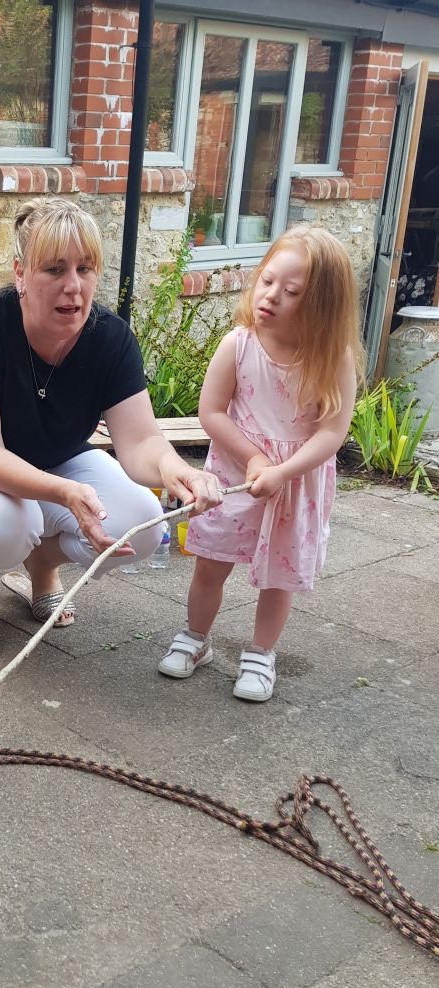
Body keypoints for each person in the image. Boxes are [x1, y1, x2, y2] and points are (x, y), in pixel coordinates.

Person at [0, 196, 222, 659]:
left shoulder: (110, 338)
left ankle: (42, 563)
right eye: (54, 270)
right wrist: (64, 493)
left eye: (85, 269)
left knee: (144, 526)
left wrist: (176, 471)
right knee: (3, 523)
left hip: (57, 458)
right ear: (20, 274)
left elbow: (142, 441)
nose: (73, 286)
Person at [158, 225, 363, 702]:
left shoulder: (333, 360)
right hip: (234, 471)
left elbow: (332, 432)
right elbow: (211, 412)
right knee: (210, 563)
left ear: (322, 306)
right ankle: (195, 637)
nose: (270, 295)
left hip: (295, 483)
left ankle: (260, 653)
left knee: (279, 575)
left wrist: (283, 472)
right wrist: (253, 457)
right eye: (267, 280)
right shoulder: (239, 344)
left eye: (291, 291)